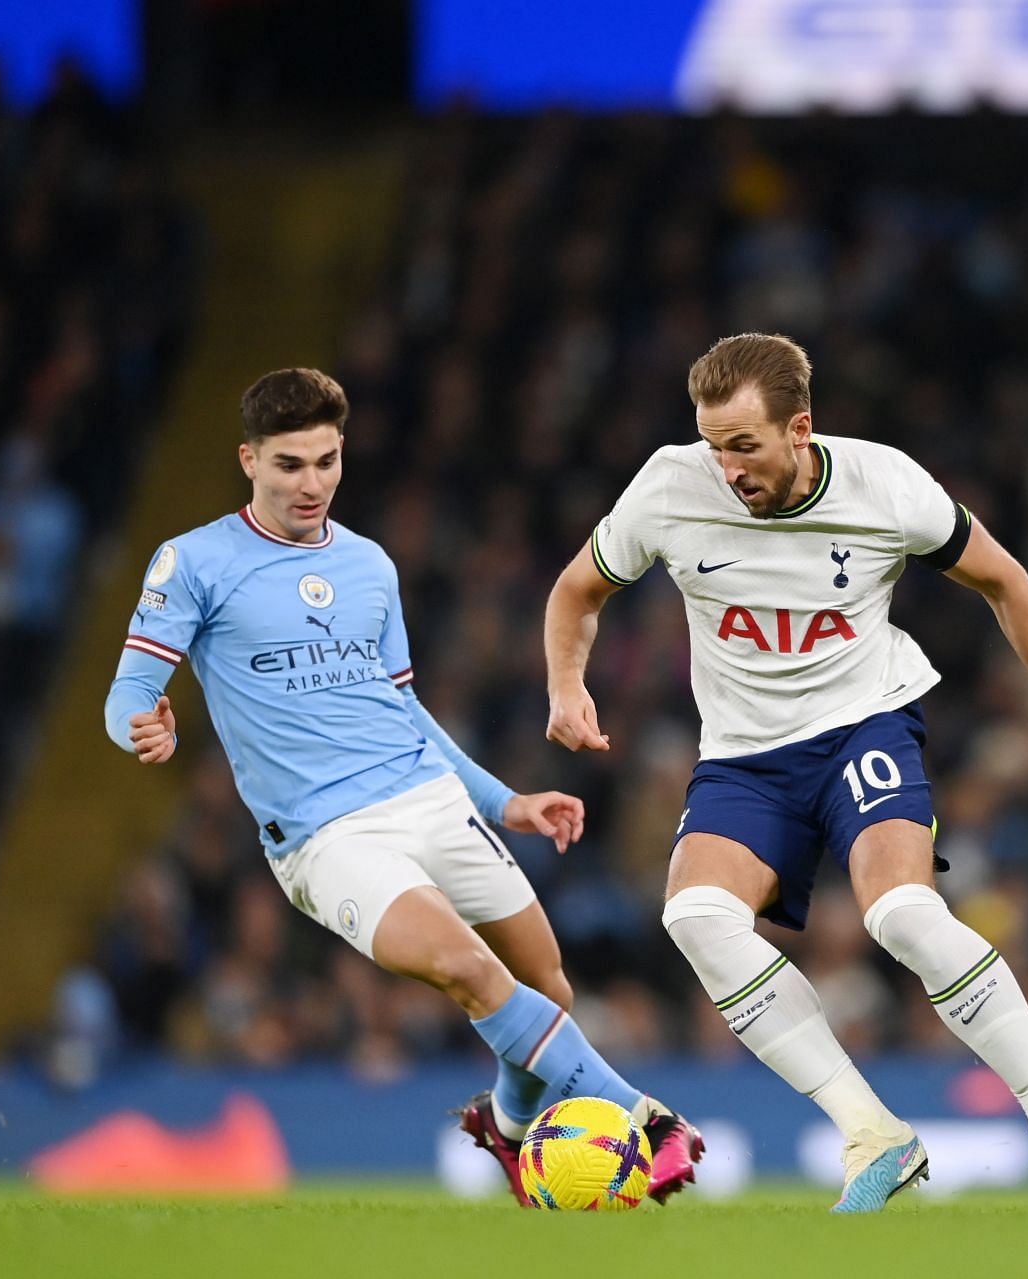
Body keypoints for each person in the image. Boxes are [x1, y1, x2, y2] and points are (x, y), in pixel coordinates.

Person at [542, 333, 1028, 1212]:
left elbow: (1005, 581)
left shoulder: (884, 484)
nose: (726, 467)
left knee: (902, 914)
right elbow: (577, 589)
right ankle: (872, 1131)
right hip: (743, 757)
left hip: (862, 726)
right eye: (713, 444)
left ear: (800, 428)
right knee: (695, 914)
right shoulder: (669, 486)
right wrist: (567, 684)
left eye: (745, 445)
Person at [102, 368, 703, 1208]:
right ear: (248, 460)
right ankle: (642, 1118)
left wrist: (503, 802)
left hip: (429, 798)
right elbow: (128, 690)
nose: (311, 483)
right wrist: (141, 723)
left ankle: (505, 1122)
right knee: (468, 967)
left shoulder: (369, 565)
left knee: (547, 987)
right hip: (329, 835)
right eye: (288, 465)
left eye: (325, 461)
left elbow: (404, 710)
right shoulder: (195, 562)